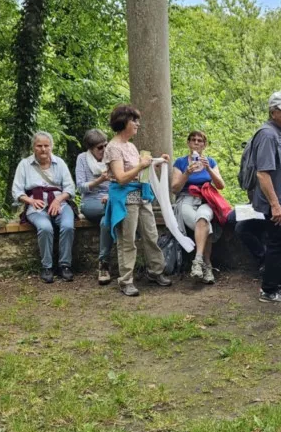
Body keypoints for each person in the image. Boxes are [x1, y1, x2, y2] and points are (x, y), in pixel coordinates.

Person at [103, 104, 172, 297]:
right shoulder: (113, 148)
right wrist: (141, 166)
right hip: (125, 199)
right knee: (128, 241)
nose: (137, 124)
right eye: (134, 120)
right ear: (123, 122)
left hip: (142, 197)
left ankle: (155, 272)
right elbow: (121, 177)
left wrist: (157, 162)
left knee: (151, 235)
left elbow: (139, 170)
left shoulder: (131, 146)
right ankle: (126, 281)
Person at [245, 91, 281, 303]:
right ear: (273, 112)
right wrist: (275, 205)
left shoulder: (278, 132)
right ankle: (269, 290)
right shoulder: (268, 135)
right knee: (277, 243)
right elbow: (263, 173)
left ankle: (277, 276)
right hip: (275, 202)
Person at [11, 131, 76, 284]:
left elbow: (70, 188)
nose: (43, 149)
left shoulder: (60, 163)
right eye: (39, 146)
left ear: (51, 146)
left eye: (46, 145)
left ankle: (65, 265)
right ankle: (47, 267)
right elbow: (16, 191)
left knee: (67, 226)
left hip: (60, 203)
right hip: (37, 206)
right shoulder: (24, 164)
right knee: (45, 228)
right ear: (33, 147)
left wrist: (58, 200)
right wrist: (30, 200)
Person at [172, 130, 227, 285]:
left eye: (200, 140)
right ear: (188, 143)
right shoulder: (180, 162)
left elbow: (220, 185)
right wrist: (186, 173)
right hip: (186, 199)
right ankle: (207, 265)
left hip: (205, 199)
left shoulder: (211, 162)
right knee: (205, 226)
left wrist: (209, 169)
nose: (196, 143)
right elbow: (174, 189)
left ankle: (197, 262)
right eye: (193, 140)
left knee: (203, 218)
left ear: (204, 144)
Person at [75, 128, 114, 285]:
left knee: (106, 221)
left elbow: (119, 181)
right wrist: (99, 181)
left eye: (105, 145)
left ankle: (103, 264)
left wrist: (110, 195)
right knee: (111, 212)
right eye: (100, 147)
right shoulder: (82, 159)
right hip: (91, 201)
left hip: (110, 200)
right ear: (91, 148)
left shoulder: (112, 157)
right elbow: (80, 187)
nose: (104, 149)